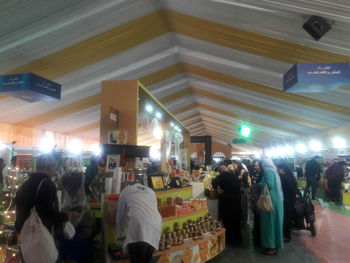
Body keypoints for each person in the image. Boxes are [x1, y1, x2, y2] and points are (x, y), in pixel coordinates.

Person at [15, 154, 77, 260]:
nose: (56, 170)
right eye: (55, 167)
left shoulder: (25, 185)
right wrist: (66, 216)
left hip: (26, 239)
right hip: (41, 239)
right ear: (49, 167)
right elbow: (48, 215)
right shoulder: (47, 184)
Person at [117, 181, 162, 263]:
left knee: (137, 258)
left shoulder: (125, 191)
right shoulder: (150, 191)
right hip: (156, 225)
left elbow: (120, 216)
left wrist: (121, 236)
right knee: (147, 258)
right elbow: (151, 211)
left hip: (139, 228)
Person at [212, 165, 242, 245]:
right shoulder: (234, 175)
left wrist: (217, 189)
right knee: (236, 222)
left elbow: (213, 183)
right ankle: (238, 239)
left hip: (226, 201)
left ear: (220, 171)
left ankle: (229, 240)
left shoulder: (221, 176)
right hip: (236, 201)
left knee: (227, 222)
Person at [259, 157, 284, 255]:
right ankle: (274, 245)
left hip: (270, 202)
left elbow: (269, 184)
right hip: (275, 200)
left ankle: (271, 247)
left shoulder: (268, 171)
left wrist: (259, 184)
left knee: (270, 224)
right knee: (275, 223)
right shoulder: (273, 171)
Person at [277, 162, 297, 242]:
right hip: (291, 199)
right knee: (287, 217)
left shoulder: (283, 177)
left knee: (286, 218)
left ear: (282, 169)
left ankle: (287, 236)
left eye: (278, 169)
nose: (277, 170)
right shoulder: (291, 176)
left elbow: (284, 189)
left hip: (286, 200)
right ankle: (287, 235)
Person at [233, 160, 250, 229]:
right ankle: (242, 222)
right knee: (241, 207)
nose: (233, 165)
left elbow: (246, 182)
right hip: (239, 192)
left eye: (234, 164)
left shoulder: (243, 171)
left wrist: (239, 181)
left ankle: (244, 223)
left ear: (237, 164)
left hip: (243, 193)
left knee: (244, 207)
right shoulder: (237, 171)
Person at [251, 159, 264, 245]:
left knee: (259, 217)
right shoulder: (256, 173)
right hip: (255, 198)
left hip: (260, 198)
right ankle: (256, 233)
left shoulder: (263, 174)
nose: (256, 167)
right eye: (255, 166)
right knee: (256, 216)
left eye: (257, 165)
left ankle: (258, 237)